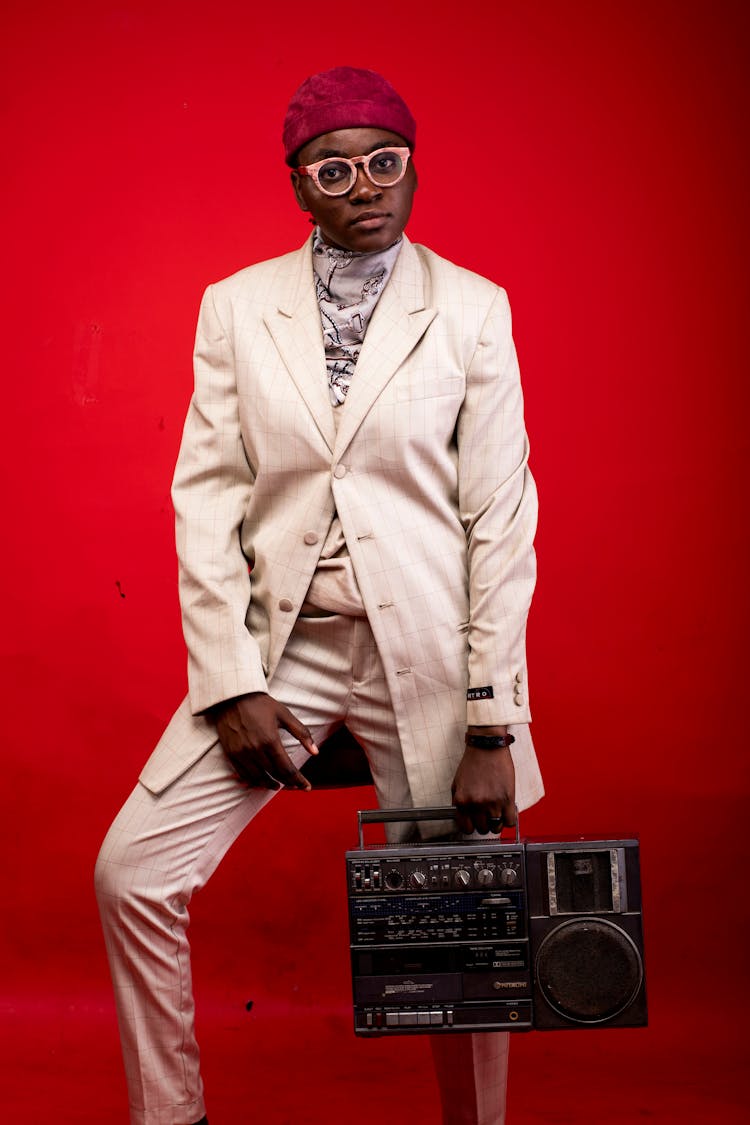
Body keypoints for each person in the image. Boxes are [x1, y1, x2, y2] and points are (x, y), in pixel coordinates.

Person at [95, 65, 544, 1125]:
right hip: (280, 647)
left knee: (466, 921)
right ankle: (173, 1116)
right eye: (333, 170)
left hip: (429, 657)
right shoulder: (237, 307)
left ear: (414, 167)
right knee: (131, 873)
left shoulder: (474, 310)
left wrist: (493, 722)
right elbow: (207, 496)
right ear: (299, 185)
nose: (364, 186)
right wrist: (229, 683)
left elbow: (499, 517)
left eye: (384, 162)